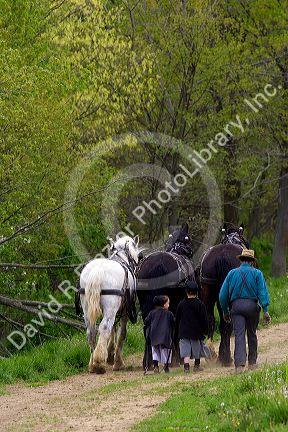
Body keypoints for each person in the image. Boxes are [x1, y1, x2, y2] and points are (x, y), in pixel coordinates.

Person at [219, 249, 271, 374]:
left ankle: (239, 366)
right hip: (252, 307)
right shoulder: (257, 273)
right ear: (252, 262)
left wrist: (225, 311)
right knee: (252, 334)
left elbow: (222, 295)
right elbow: (262, 293)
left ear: (241, 260)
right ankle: (252, 363)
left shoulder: (232, 273)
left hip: (236, 308)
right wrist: (265, 310)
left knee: (239, 335)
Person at [175, 281, 209, 373]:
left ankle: (186, 367)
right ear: (197, 292)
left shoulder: (181, 304)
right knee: (196, 348)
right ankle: (197, 365)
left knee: (185, 349)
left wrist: (176, 329)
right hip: (196, 332)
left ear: (186, 291)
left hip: (184, 331)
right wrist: (206, 330)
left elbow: (177, 318)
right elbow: (204, 319)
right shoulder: (200, 304)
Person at [144, 295, 174, 373]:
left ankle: (156, 366)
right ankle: (166, 367)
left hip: (154, 336)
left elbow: (146, 322)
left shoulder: (152, 313)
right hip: (165, 337)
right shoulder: (169, 314)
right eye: (168, 303)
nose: (169, 305)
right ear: (164, 305)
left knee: (155, 352)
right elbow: (173, 324)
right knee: (165, 352)